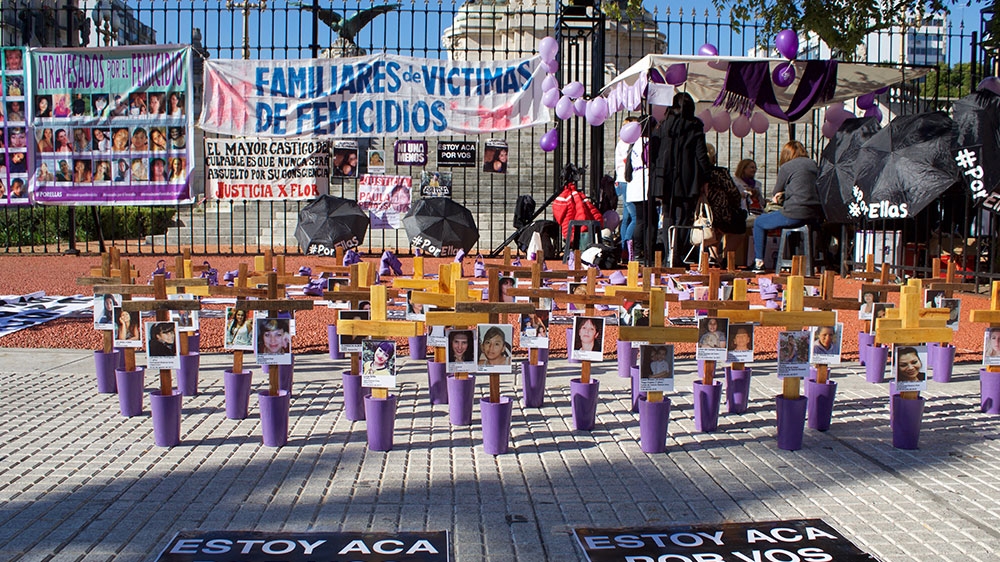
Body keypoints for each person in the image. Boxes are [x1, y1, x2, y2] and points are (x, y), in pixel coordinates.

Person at [649, 92, 712, 264]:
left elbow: (652, 152)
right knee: (684, 216)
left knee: (668, 214)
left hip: (665, 176)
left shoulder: (662, 125)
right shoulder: (694, 126)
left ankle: (668, 253)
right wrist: (706, 177)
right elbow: (701, 155)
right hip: (687, 177)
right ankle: (677, 253)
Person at [751, 141, 824, 273]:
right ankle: (799, 260)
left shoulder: (787, 167)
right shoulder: (814, 164)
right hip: (814, 214)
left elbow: (776, 192)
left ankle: (759, 262)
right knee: (792, 228)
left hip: (794, 212)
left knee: (759, 223)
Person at [703, 143, 748, 267]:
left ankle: (713, 256)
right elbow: (733, 192)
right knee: (740, 226)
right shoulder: (720, 172)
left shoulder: (695, 173)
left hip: (702, 214)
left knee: (714, 227)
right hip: (721, 213)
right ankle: (726, 256)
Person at [616, 116, 651, 262]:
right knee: (636, 217)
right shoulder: (629, 143)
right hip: (629, 181)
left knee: (628, 216)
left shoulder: (628, 143)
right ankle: (628, 247)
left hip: (625, 180)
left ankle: (626, 247)